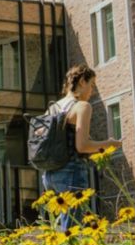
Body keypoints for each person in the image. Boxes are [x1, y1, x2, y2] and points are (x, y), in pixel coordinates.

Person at [40, 64, 108, 232]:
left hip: (49, 175)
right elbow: (82, 146)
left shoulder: (53, 107)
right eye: (92, 84)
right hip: (71, 172)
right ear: (82, 81)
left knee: (59, 228)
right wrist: (109, 144)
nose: (92, 91)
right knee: (72, 231)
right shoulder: (82, 106)